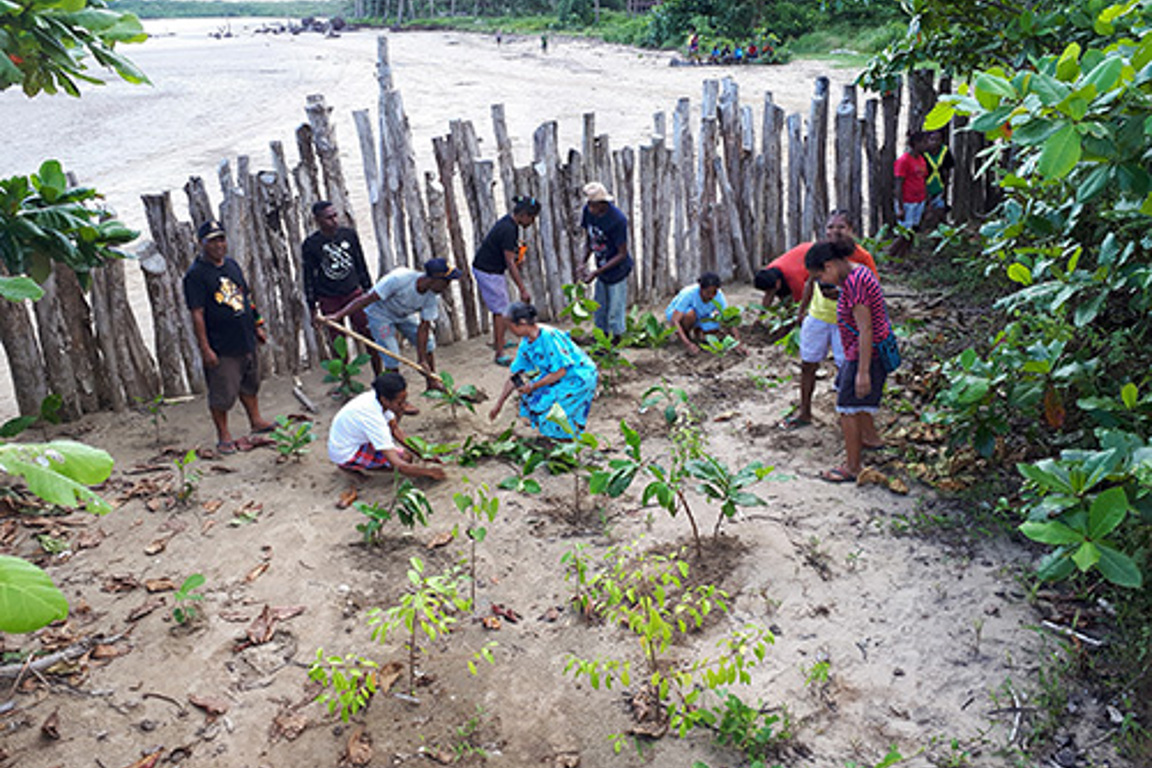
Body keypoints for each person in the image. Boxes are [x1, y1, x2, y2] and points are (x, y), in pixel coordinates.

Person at [771, 212, 878, 430]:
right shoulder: (819, 251)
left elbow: (871, 291)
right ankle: (805, 412)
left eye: (840, 227)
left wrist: (844, 296)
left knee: (847, 370)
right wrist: (802, 311)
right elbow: (810, 281)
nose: (834, 232)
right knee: (808, 364)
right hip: (818, 317)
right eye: (830, 227)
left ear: (851, 230)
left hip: (845, 324)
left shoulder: (862, 257)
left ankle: (851, 420)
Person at [183, 220, 274, 455]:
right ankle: (223, 435)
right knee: (222, 390)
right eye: (212, 240)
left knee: (250, 381)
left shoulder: (232, 265)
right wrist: (205, 348)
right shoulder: (196, 275)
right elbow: (197, 313)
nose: (218, 245)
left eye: (221, 239)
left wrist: (258, 324)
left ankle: (255, 420)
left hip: (244, 336)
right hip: (221, 343)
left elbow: (245, 298)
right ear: (201, 244)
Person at [805, 240, 892, 483]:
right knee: (855, 401)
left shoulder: (855, 285)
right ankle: (869, 440)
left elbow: (866, 330)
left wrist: (862, 372)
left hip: (866, 354)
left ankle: (853, 466)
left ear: (830, 265)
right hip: (863, 351)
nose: (823, 280)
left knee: (847, 407)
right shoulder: (859, 272)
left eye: (821, 274)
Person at [322, 259, 460, 402]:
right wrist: (338, 315)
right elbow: (366, 299)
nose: (448, 286)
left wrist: (422, 359)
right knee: (392, 356)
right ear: (434, 279)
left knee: (429, 344)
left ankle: (431, 382)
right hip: (380, 314)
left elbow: (424, 328)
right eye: (446, 281)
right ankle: (396, 397)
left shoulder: (432, 296)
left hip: (403, 315)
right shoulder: (399, 279)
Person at [488, 302, 598, 440]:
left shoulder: (548, 336)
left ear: (521, 323)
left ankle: (568, 438)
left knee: (553, 412)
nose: (509, 331)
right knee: (532, 397)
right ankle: (556, 435)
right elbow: (514, 374)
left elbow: (560, 372)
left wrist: (533, 385)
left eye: (510, 327)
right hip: (558, 376)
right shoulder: (526, 342)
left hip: (578, 377)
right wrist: (499, 404)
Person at [301, 200, 380, 375]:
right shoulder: (311, 245)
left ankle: (379, 374)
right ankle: (345, 380)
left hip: (354, 293)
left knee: (368, 333)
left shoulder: (349, 235)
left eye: (335, 216)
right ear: (317, 220)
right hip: (329, 298)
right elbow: (309, 276)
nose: (334, 221)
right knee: (338, 341)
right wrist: (312, 306)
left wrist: (368, 290)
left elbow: (360, 263)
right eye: (329, 218)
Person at [327, 372, 446, 480]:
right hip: (345, 452)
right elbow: (398, 465)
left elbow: (395, 430)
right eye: (399, 402)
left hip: (353, 439)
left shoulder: (377, 398)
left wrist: (423, 453)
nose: (404, 406)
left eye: (405, 400)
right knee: (404, 459)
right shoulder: (373, 418)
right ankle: (349, 466)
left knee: (406, 458)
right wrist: (428, 472)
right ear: (385, 400)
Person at [473, 195, 541, 365]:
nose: (532, 222)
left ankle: (500, 341)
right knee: (500, 310)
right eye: (531, 218)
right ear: (524, 214)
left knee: (501, 307)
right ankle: (499, 352)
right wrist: (522, 289)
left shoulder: (510, 224)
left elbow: (509, 254)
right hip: (489, 271)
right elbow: (510, 263)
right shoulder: (509, 229)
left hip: (490, 268)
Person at [577, 182, 632, 343]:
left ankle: (614, 342)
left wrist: (596, 272)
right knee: (600, 308)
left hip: (618, 269)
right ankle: (601, 338)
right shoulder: (588, 212)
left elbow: (622, 254)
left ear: (602, 204)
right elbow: (590, 238)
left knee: (615, 309)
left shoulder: (617, 220)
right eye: (589, 204)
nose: (590, 208)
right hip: (602, 266)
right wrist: (583, 261)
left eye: (593, 204)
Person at [665, 272, 746, 356]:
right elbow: (674, 320)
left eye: (714, 292)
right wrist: (688, 344)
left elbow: (727, 318)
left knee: (712, 332)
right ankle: (685, 334)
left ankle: (698, 332)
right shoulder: (688, 294)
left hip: (702, 316)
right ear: (701, 288)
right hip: (680, 315)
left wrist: (736, 342)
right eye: (708, 292)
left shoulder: (719, 296)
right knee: (690, 314)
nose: (711, 296)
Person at [889, 130, 930, 260]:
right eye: (924, 142)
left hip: (919, 200)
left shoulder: (921, 159)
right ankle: (888, 256)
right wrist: (900, 207)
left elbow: (922, 180)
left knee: (913, 231)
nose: (927, 145)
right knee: (904, 233)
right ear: (916, 144)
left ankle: (902, 257)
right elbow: (898, 185)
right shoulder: (904, 161)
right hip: (907, 201)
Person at [921, 129, 955, 232]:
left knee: (939, 210)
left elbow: (948, 171)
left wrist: (945, 189)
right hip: (923, 188)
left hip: (939, 187)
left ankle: (938, 233)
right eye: (932, 139)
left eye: (937, 139)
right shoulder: (923, 153)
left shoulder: (945, 152)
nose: (935, 142)